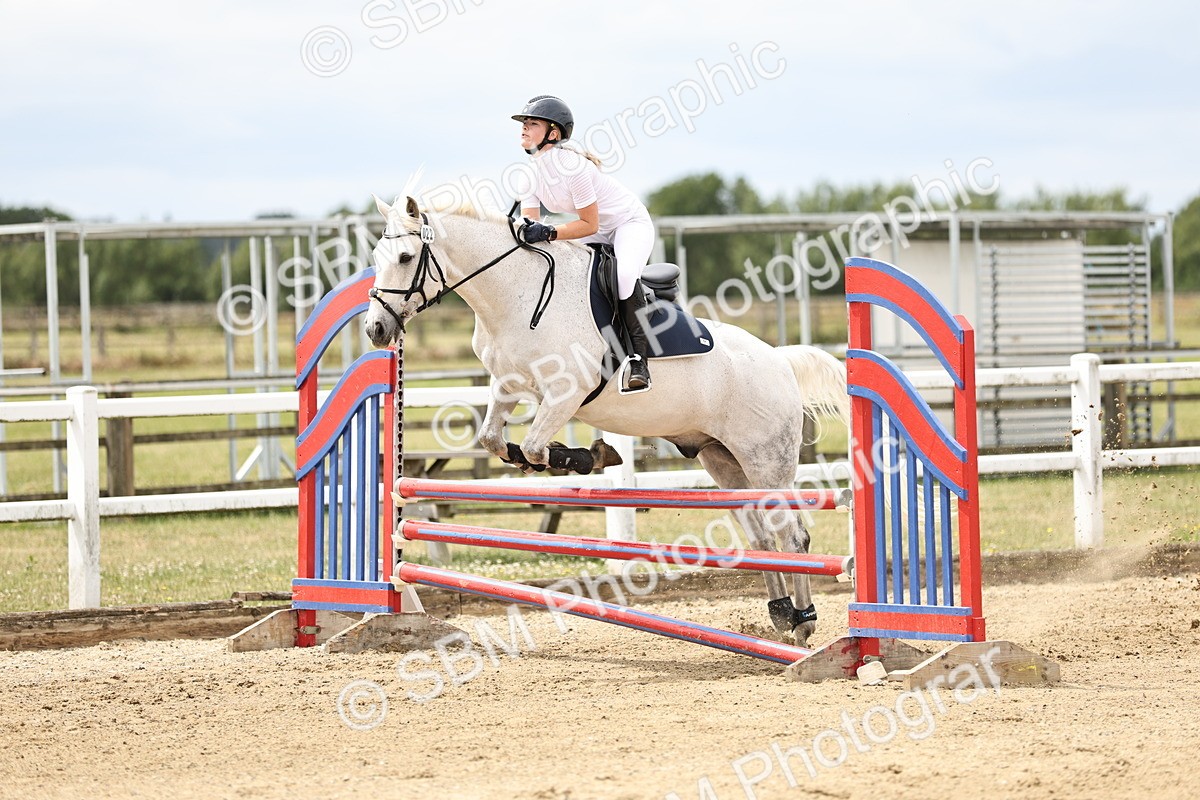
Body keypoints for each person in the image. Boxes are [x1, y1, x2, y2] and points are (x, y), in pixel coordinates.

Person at [511, 95, 656, 392]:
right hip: (595, 230)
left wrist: (549, 232)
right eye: (523, 123)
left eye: (532, 123)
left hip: (627, 224)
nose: (524, 128)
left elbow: (587, 224)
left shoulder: (573, 168)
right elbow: (529, 225)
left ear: (553, 133)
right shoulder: (528, 174)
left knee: (625, 276)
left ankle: (639, 359)